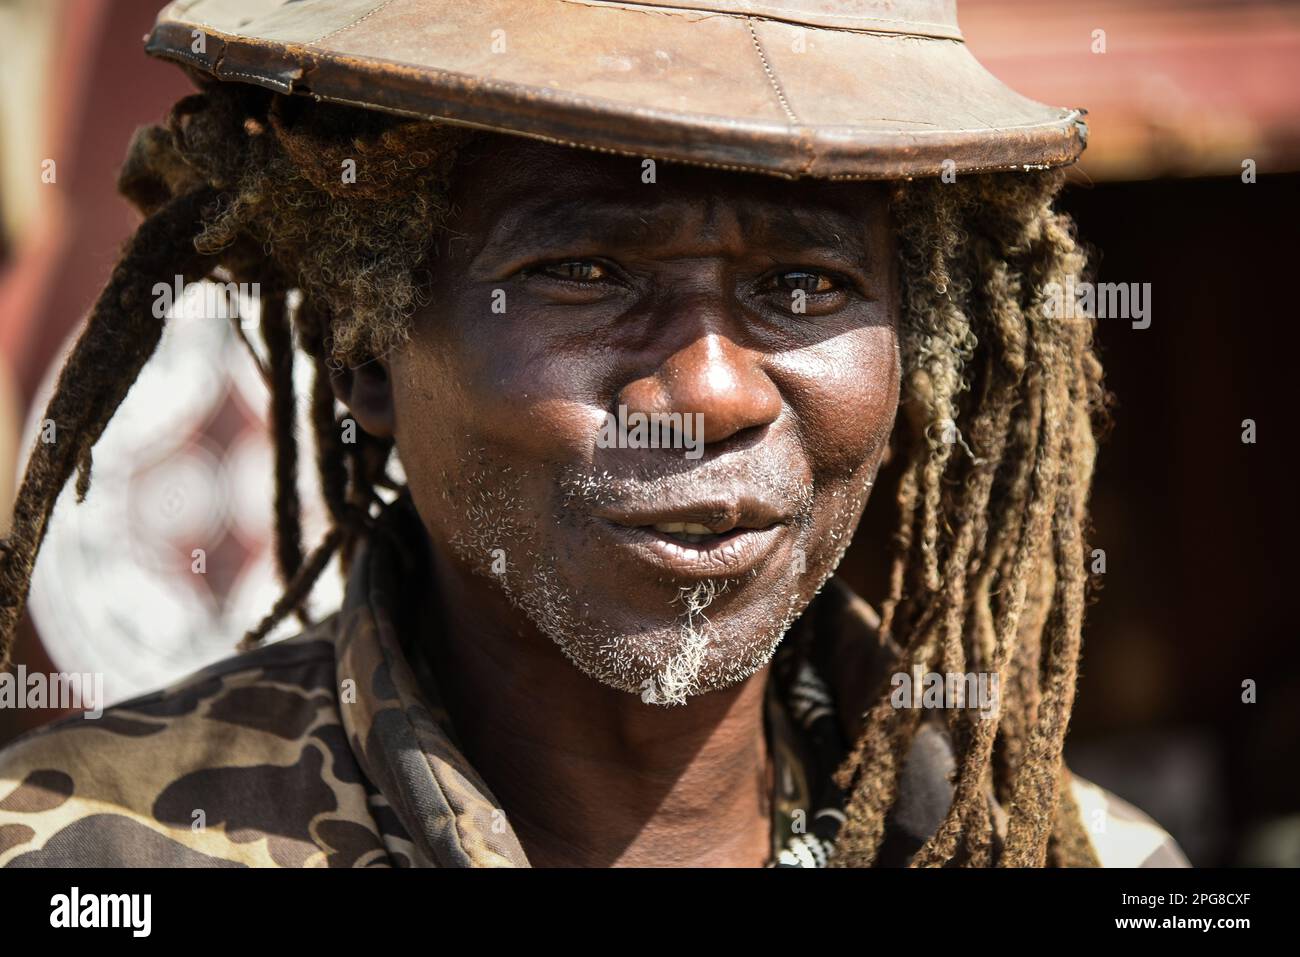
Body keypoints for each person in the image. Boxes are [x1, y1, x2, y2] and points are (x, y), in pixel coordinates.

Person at [0, 0, 1186, 867]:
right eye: (582, 270)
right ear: (365, 350)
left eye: (808, 287)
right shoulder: (81, 856)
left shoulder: (1088, 863)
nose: (713, 393)